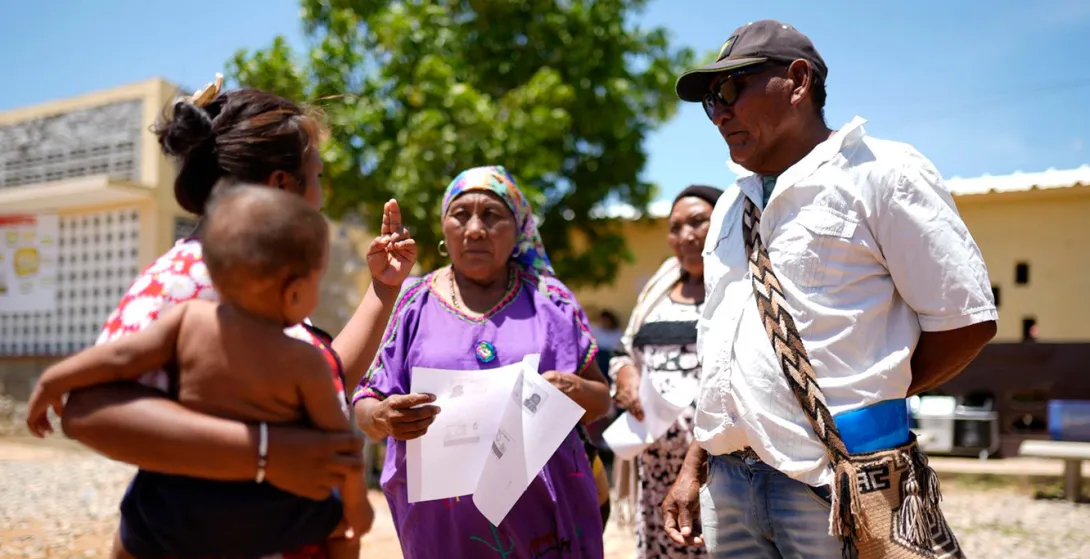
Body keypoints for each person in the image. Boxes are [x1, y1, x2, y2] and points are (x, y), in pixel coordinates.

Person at [661, 20, 997, 558]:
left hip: (832, 479)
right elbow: (721, 351)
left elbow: (967, 322)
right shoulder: (730, 206)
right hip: (728, 483)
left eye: (729, 89)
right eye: (708, 101)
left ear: (797, 81)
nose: (719, 111)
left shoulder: (882, 173)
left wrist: (865, 399)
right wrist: (693, 465)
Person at [58, 76, 417, 559]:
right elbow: (88, 412)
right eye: (318, 177)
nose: (322, 196)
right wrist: (267, 453)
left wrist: (383, 289)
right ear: (281, 185)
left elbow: (322, 381)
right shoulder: (187, 276)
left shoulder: (256, 277)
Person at [27, 186, 373, 559]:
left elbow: (119, 357)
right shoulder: (305, 361)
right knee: (341, 528)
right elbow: (340, 451)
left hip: (178, 508)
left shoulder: (188, 320)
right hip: (265, 515)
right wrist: (358, 510)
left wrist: (53, 380)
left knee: (135, 520)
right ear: (293, 293)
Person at [352, 165, 611, 559]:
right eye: (461, 215)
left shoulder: (552, 300)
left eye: (492, 215)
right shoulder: (412, 301)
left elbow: (602, 400)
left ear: (519, 227)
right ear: (444, 228)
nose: (475, 229)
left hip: (546, 530)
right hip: (441, 534)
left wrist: (573, 391)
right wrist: (385, 417)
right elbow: (365, 404)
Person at [608, 185, 722, 559]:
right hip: (655, 469)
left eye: (698, 222)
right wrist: (625, 373)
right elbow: (626, 348)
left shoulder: (741, 282)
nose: (685, 235)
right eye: (675, 227)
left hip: (719, 471)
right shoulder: (662, 282)